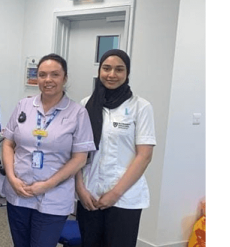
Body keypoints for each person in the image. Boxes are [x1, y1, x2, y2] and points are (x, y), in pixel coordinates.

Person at [1, 53, 96, 247]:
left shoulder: (78, 113)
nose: (48, 80)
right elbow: (8, 143)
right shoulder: (24, 105)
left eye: (54, 74)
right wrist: (11, 177)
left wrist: (47, 185)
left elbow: (79, 158)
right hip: (19, 191)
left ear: (65, 78)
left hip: (54, 196)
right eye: (42, 75)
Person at [76, 49, 156, 247]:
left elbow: (144, 156)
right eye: (106, 68)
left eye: (119, 69)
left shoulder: (141, 107)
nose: (112, 75)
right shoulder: (87, 104)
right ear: (99, 71)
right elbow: (78, 152)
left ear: (127, 73)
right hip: (90, 194)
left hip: (124, 197)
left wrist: (115, 193)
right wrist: (80, 188)